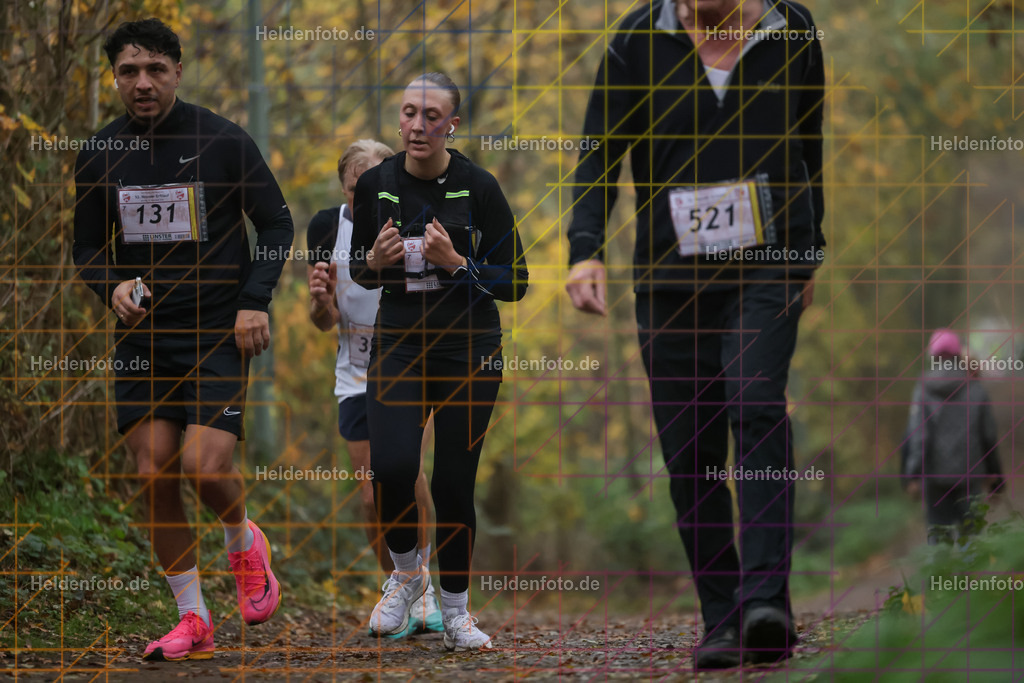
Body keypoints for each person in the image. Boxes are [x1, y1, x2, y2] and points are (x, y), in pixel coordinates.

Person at [566, 0, 825, 670]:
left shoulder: (792, 30)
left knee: (757, 404)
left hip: (768, 267)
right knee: (690, 447)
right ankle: (723, 615)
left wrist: (810, 247)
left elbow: (808, 140)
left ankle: (767, 599)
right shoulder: (635, 41)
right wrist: (585, 247)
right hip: (668, 277)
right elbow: (599, 151)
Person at [73, 18, 292, 661]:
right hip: (145, 337)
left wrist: (255, 302)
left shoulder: (222, 141)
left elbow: (276, 223)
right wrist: (109, 284)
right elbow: (87, 245)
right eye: (128, 72)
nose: (142, 83)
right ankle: (192, 619)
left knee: (205, 466)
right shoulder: (99, 153)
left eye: (155, 70)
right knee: (153, 475)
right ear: (115, 77)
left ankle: (243, 540)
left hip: (216, 330)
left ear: (177, 71)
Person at [349, 72, 528, 651]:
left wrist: (458, 265)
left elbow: (517, 282)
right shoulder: (376, 183)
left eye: (431, 115)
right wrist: (374, 261)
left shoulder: (480, 187)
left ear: (453, 124)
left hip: (468, 347)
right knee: (393, 468)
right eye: (408, 113)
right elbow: (357, 269)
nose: (417, 125)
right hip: (400, 341)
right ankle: (406, 577)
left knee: (454, 482)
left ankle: (456, 613)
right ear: (398, 120)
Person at [306, 138, 442, 636]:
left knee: (407, 475)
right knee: (369, 499)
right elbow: (323, 321)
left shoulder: (420, 221)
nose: (362, 200)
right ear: (343, 188)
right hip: (355, 377)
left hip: (411, 367)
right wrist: (320, 302)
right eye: (352, 189)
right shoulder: (326, 227)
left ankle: (425, 588)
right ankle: (401, 585)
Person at [902, 329, 1004, 545]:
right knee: (971, 540)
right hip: (970, 476)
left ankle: (942, 579)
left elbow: (919, 436)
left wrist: (912, 475)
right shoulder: (975, 388)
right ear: (958, 355)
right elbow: (988, 436)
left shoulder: (923, 389)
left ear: (933, 356)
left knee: (938, 541)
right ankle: (968, 579)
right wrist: (997, 479)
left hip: (934, 478)